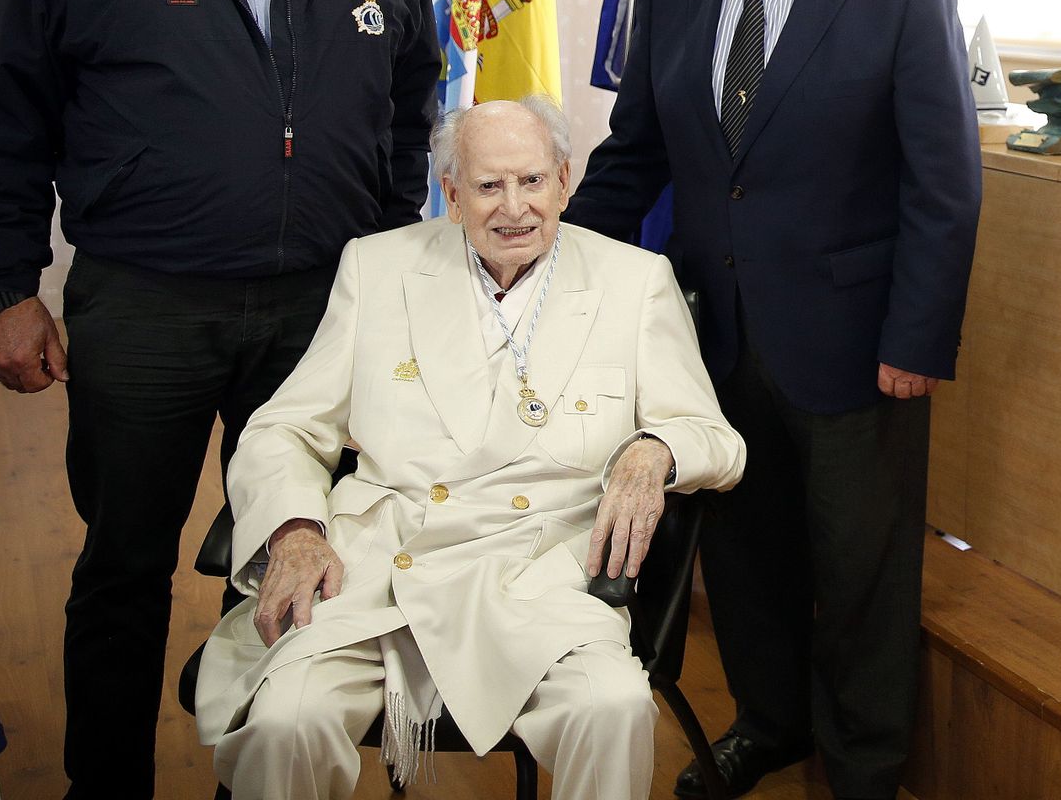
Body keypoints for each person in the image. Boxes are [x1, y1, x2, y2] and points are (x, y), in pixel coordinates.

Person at [0, 0, 442, 798]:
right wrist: (1, 288)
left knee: (285, 549)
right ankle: (103, 782)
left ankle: (249, 774)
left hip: (320, 311)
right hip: (144, 306)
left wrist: (393, 252)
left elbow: (415, 110)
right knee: (123, 563)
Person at [564, 0, 982, 800]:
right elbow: (635, 158)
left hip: (858, 350)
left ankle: (863, 769)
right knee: (744, 562)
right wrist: (543, 271)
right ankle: (770, 722)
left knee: (859, 578)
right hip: (712, 345)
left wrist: (917, 337)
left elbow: (946, 182)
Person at [194, 96, 746, 798]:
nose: (514, 207)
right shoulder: (377, 267)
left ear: (566, 181)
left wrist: (654, 447)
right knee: (284, 721)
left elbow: (717, 441)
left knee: (614, 707)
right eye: (488, 186)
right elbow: (284, 427)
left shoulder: (634, 282)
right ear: (451, 195)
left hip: (541, 579)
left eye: (533, 181)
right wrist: (297, 529)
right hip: (381, 572)